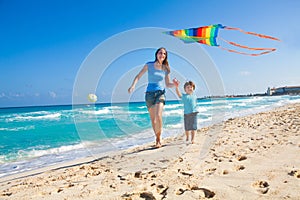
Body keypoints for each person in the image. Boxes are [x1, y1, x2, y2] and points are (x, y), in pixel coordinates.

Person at [128, 47, 176, 148]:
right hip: (149, 94)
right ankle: (157, 138)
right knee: (153, 120)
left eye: (164, 54)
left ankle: (159, 139)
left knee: (158, 116)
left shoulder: (166, 68)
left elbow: (167, 84)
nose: (162, 55)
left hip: (160, 93)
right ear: (156, 54)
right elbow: (138, 76)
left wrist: (174, 84)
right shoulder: (149, 65)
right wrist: (133, 85)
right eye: (160, 53)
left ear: (165, 56)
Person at [173, 79, 198, 144]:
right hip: (186, 114)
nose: (190, 88)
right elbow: (178, 94)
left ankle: (193, 139)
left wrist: (196, 110)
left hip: (194, 113)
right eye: (188, 87)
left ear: (193, 88)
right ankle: (187, 137)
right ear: (185, 89)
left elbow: (195, 104)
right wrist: (176, 87)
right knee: (187, 128)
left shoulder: (194, 96)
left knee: (194, 127)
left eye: (191, 87)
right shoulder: (184, 96)